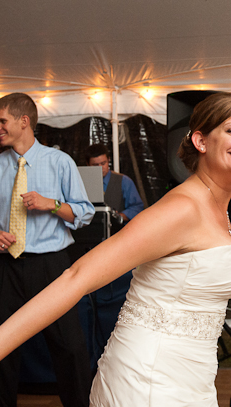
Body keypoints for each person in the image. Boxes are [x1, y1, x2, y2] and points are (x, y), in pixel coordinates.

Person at [0, 92, 231, 407]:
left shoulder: (216, 208)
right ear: (200, 140)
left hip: (191, 373)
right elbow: (77, 277)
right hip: (151, 378)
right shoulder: (182, 209)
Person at [0, 93, 95, 407]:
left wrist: (50, 205)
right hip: (4, 268)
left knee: (69, 346)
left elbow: (84, 212)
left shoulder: (59, 162)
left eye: (2, 121)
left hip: (51, 266)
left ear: (24, 121)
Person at [80, 143, 145, 373]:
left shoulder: (123, 181)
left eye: (104, 163)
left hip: (117, 253)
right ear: (87, 166)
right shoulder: (79, 182)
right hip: (89, 251)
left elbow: (138, 207)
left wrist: (121, 216)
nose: (101, 168)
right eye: (95, 165)